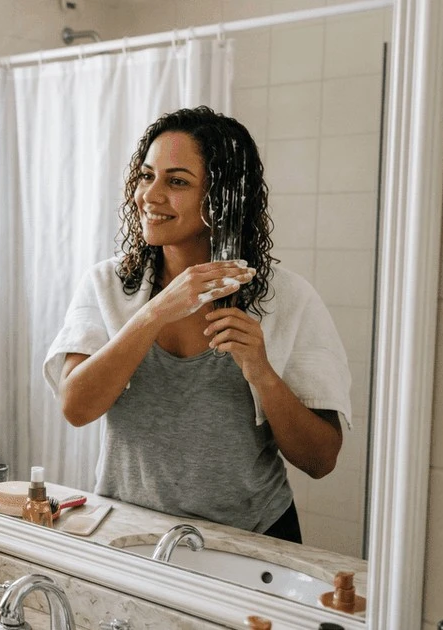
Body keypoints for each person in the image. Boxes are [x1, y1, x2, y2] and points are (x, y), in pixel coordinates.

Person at [43, 106, 351, 544]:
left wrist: (260, 370)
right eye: (147, 175)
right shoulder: (107, 284)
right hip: (132, 534)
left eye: (177, 181)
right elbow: (76, 407)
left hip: (252, 540)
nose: (150, 195)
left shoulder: (287, 299)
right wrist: (153, 313)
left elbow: (321, 459)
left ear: (224, 196)